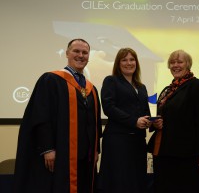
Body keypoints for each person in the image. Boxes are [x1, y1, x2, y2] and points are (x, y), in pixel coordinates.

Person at [13, 38, 102, 193]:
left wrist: (95, 150)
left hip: (84, 156)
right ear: (67, 53)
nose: (81, 55)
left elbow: (95, 122)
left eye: (85, 52)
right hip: (61, 153)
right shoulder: (51, 80)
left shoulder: (91, 88)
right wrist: (47, 149)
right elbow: (41, 116)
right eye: (76, 51)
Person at [149, 50, 199, 193]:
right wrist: (156, 122)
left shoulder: (198, 86)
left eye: (180, 62)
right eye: (172, 62)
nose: (175, 65)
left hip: (188, 156)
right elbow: (161, 116)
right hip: (165, 153)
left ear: (188, 65)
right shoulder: (168, 90)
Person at [100, 48, 151, 193]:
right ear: (118, 63)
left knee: (137, 182)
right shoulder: (111, 81)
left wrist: (150, 120)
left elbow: (145, 111)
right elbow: (108, 107)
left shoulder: (142, 87)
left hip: (138, 142)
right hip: (118, 141)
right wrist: (134, 121)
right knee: (119, 182)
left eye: (132, 59)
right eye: (124, 60)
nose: (129, 63)